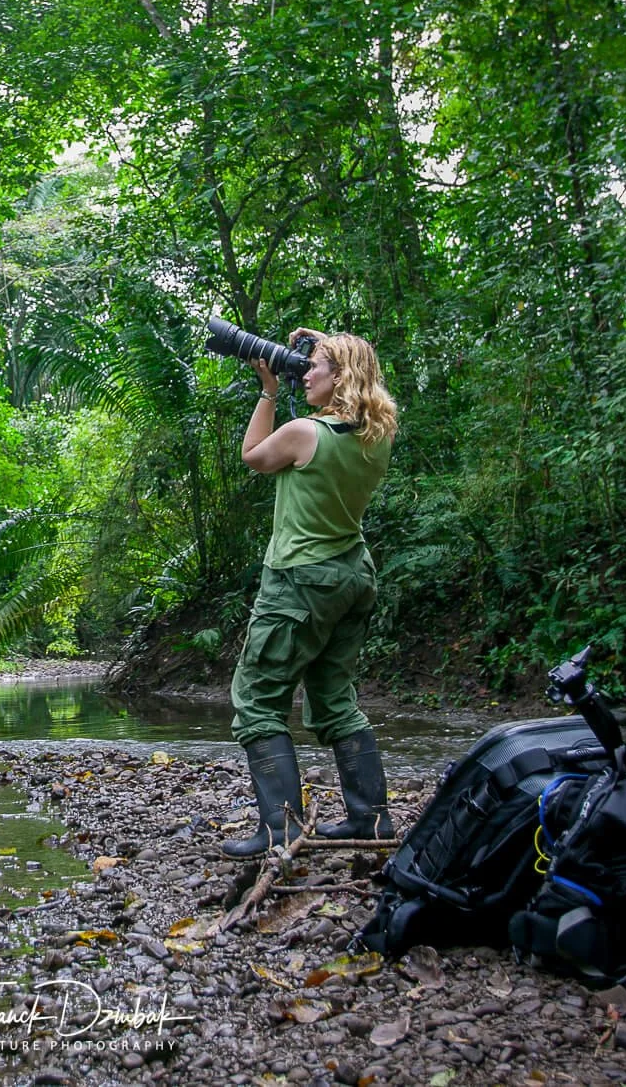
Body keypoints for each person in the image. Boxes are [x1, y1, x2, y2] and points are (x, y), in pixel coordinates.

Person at [220, 328, 400, 859]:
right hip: (352, 576)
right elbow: (355, 372)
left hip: (300, 581)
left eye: (315, 366)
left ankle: (281, 830)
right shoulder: (376, 434)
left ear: (340, 376)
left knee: (257, 700)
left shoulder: (304, 433)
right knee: (334, 699)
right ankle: (370, 820)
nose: (305, 373)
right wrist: (331, 345)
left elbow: (253, 454)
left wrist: (269, 389)